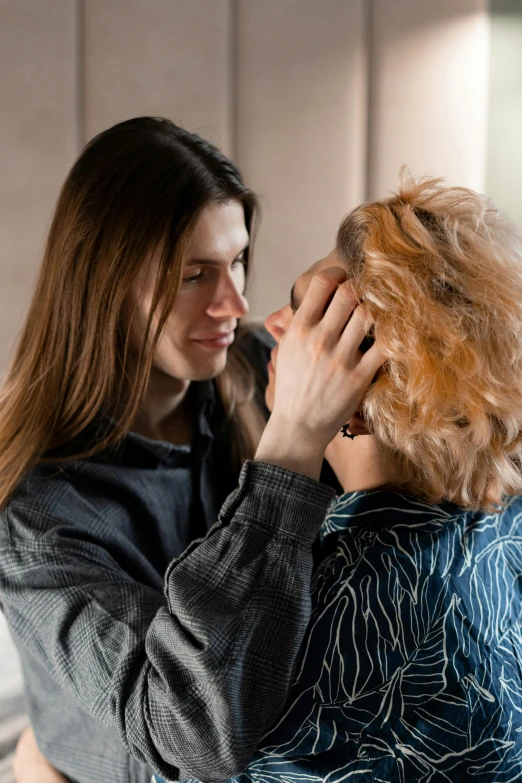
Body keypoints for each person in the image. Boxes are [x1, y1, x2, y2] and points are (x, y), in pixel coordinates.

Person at [0, 116, 383, 783]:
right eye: (194, 275)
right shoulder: (33, 511)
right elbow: (195, 729)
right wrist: (290, 444)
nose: (234, 302)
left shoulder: (258, 369)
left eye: (237, 261)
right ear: (104, 282)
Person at [195, 175, 522, 783]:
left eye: (308, 312)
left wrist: (294, 428)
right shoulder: (508, 526)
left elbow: (181, 745)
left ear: (355, 390)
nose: (269, 321)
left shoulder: (305, 618)